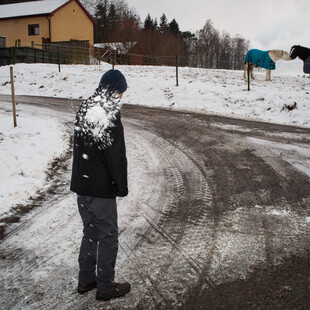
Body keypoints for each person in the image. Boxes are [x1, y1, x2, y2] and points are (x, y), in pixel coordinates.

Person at [70, 69, 130, 301]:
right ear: (115, 91)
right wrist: (121, 186)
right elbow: (115, 155)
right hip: (100, 189)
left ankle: (86, 279)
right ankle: (105, 286)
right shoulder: (109, 113)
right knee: (108, 236)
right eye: (121, 92)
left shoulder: (85, 107)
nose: (121, 97)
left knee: (91, 232)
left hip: (82, 186)